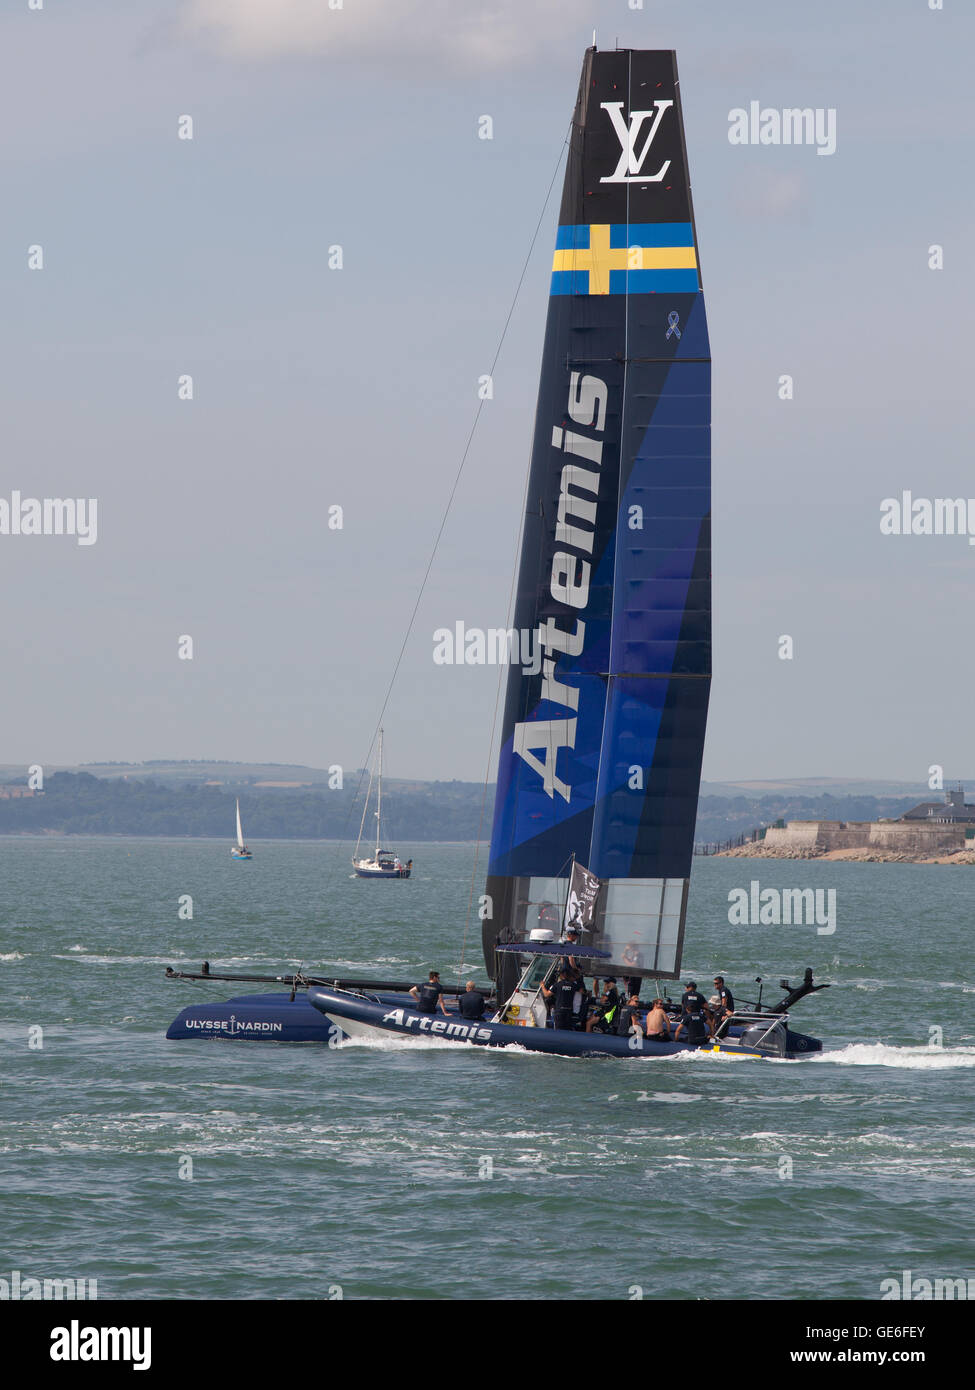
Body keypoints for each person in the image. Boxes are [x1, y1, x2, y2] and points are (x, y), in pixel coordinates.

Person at [674, 979, 710, 1045]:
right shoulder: (700, 995)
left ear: (690, 988)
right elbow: (707, 1007)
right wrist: (707, 1018)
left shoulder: (685, 995)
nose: (685, 988)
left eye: (687, 987)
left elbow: (682, 1006)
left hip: (686, 1017)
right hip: (698, 1018)